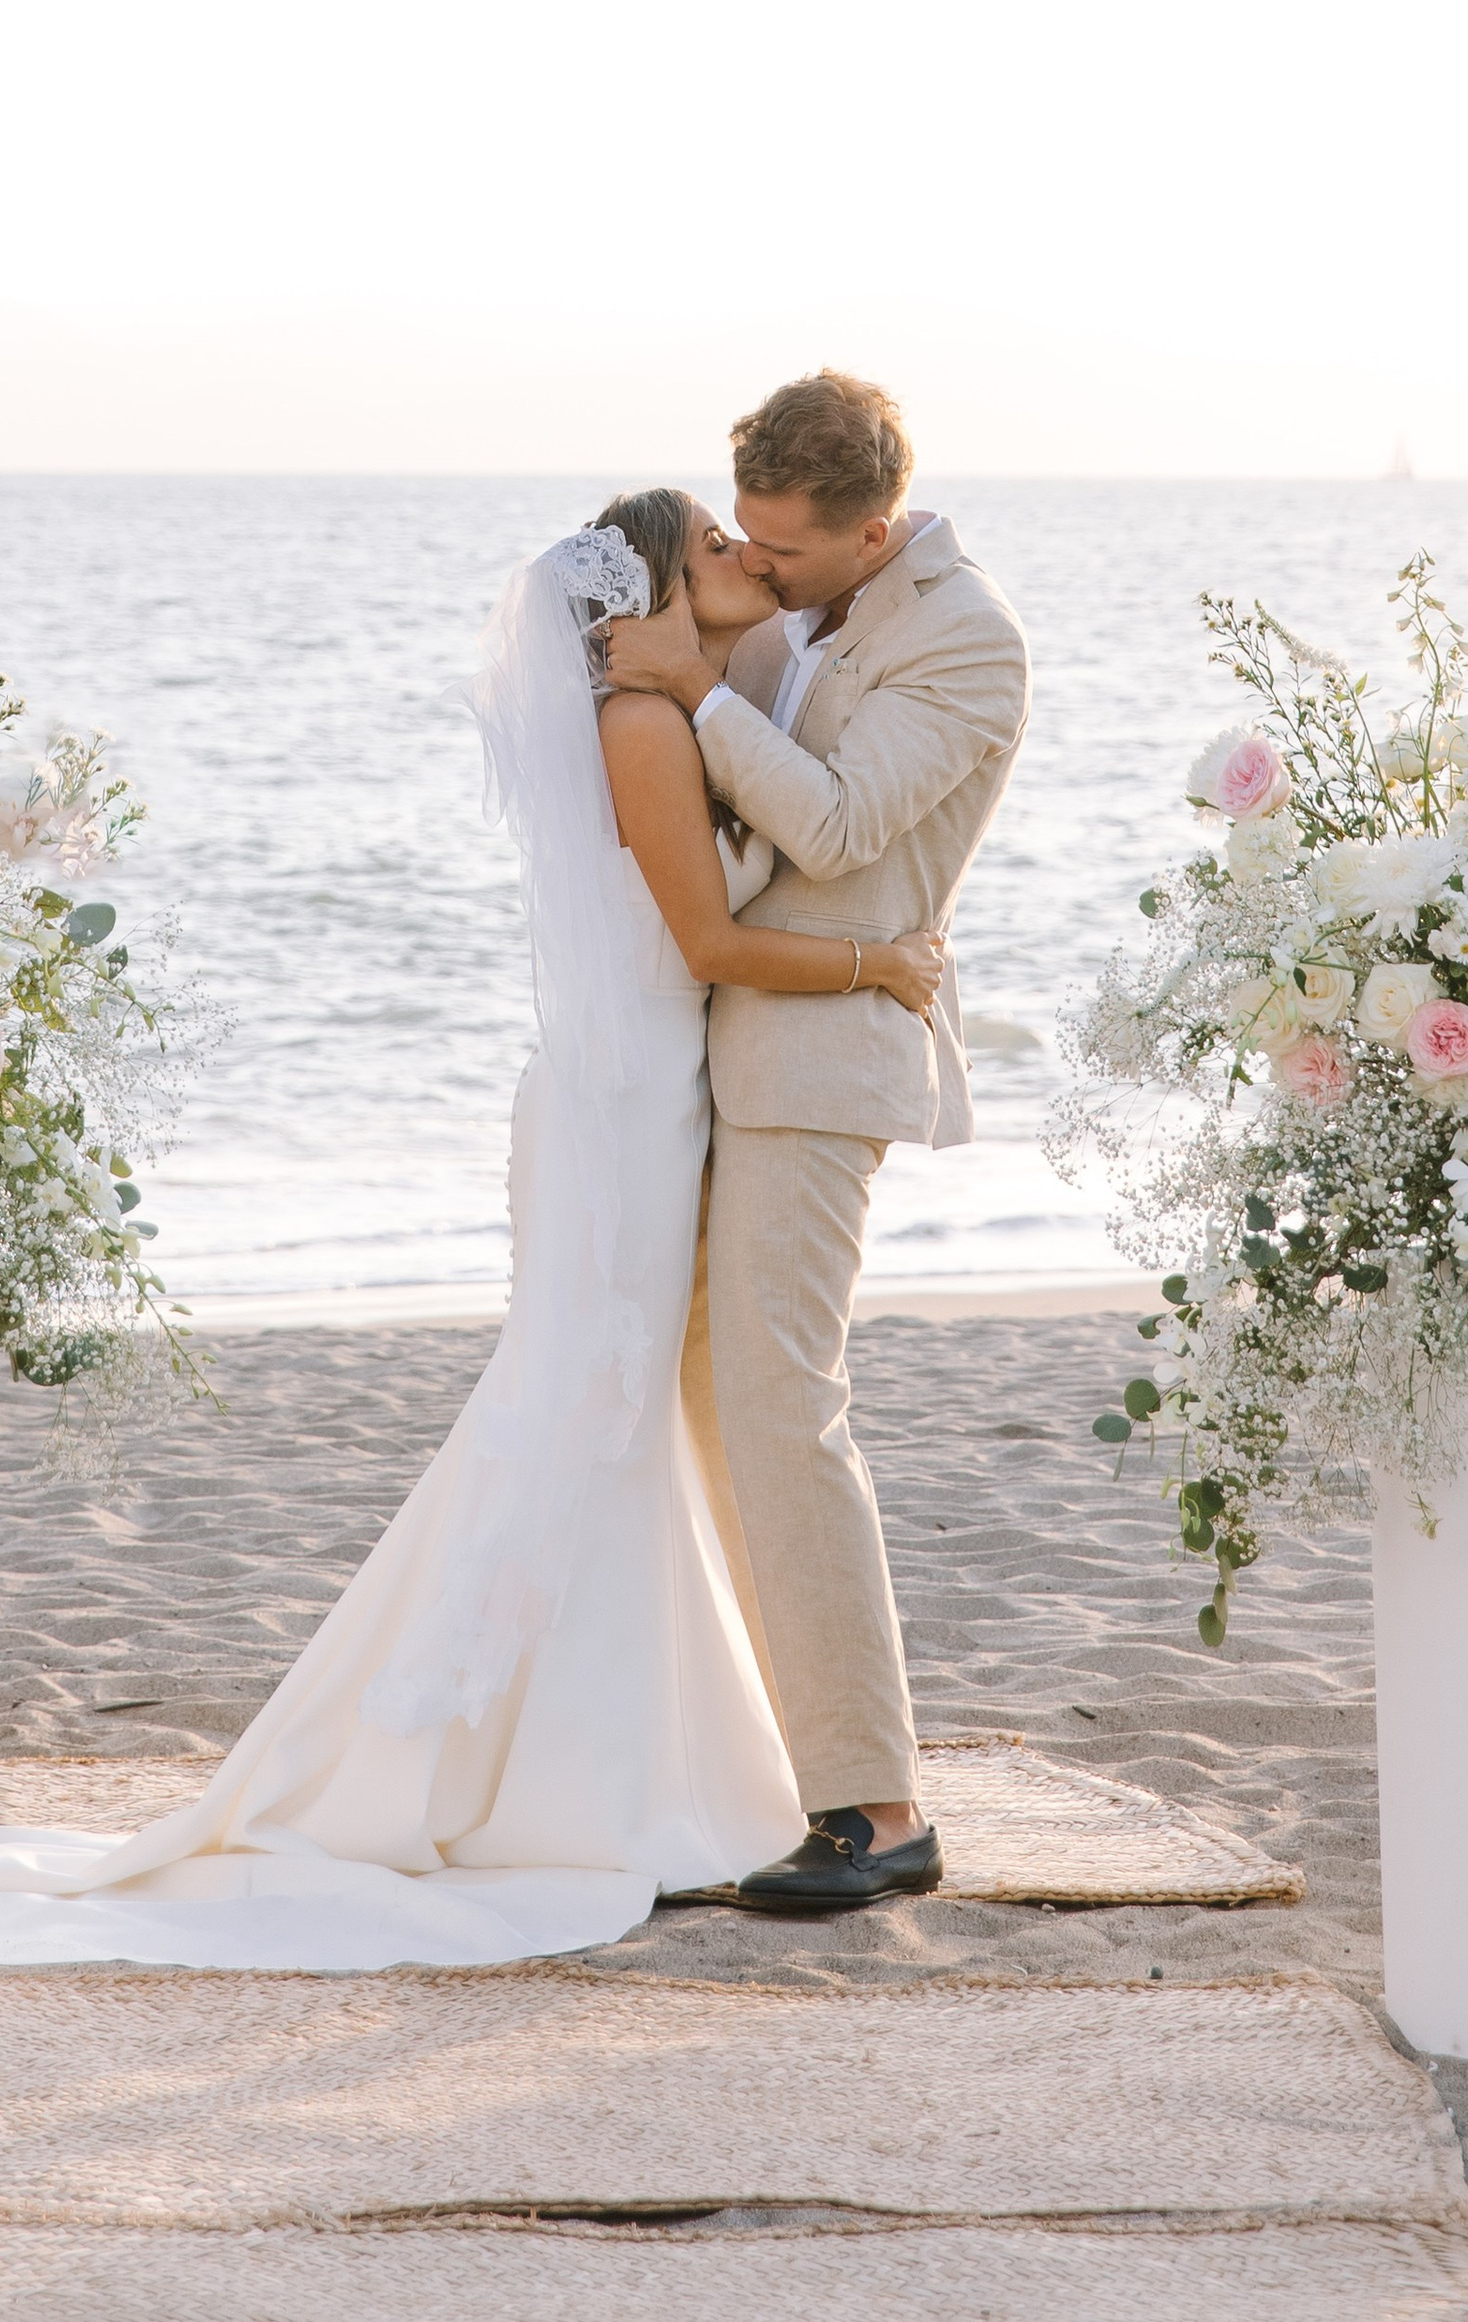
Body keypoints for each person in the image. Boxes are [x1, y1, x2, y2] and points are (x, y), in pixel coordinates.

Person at [0, 481, 946, 1971]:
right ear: (641, 591)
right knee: (585, 1405)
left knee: (608, 1415)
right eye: (711, 545)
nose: (743, 557)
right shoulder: (640, 726)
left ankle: (631, 1753)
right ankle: (533, 1768)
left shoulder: (675, 698)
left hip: (641, 1092)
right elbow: (707, 939)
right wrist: (878, 961)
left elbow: (776, 790)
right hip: (625, 1106)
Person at [599, 368, 1031, 1914]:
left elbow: (841, 827)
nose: (762, 569)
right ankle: (784, 1761)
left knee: (788, 1405)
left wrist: (697, 690)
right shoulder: (804, 608)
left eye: (787, 550)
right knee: (725, 1399)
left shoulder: (966, 637)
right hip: (735, 1047)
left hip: (828, 1061)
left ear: (878, 528)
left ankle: (877, 1804)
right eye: (750, 540)